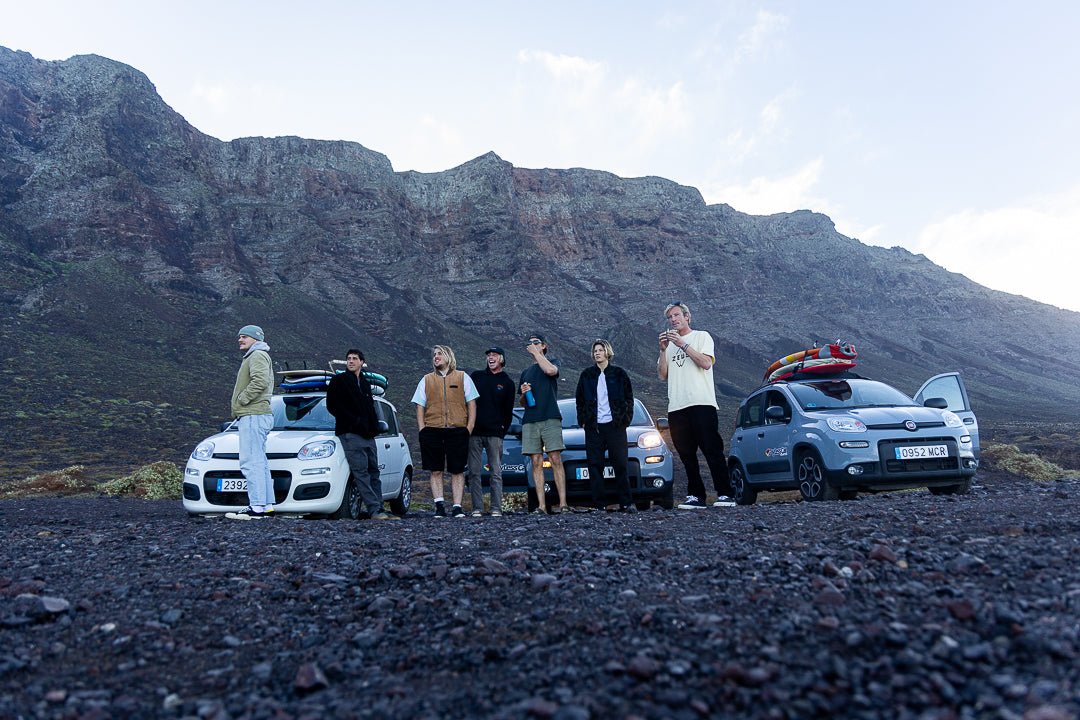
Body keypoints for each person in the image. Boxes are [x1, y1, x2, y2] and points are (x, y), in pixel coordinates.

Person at [657, 302, 735, 509]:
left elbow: (706, 363)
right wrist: (663, 350)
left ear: (687, 316)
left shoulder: (702, 336)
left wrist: (683, 344)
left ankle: (726, 494)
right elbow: (662, 375)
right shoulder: (669, 345)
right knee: (686, 454)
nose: (673, 320)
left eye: (676, 315)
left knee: (712, 450)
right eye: (670, 317)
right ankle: (696, 495)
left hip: (701, 403)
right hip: (677, 406)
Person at [326, 349, 397, 520]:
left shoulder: (364, 383)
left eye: (354, 358)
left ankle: (380, 507)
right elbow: (333, 406)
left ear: (361, 362)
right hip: (350, 433)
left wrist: (373, 427)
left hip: (368, 435)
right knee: (361, 473)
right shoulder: (339, 381)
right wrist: (354, 422)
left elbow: (370, 408)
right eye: (348, 358)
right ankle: (374, 510)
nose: (351, 361)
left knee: (374, 472)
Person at [412, 345, 477, 518]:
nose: (436, 357)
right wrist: (422, 429)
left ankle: (457, 507)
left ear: (448, 357)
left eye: (440, 354)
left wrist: (468, 429)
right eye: (434, 354)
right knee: (435, 470)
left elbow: (471, 404)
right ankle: (439, 506)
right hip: (432, 431)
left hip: (457, 431)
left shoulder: (463, 377)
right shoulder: (426, 380)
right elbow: (419, 406)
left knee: (457, 470)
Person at [575, 339, 635, 512]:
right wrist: (583, 421)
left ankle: (625, 503)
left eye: (600, 350)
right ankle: (599, 505)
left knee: (621, 464)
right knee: (595, 466)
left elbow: (629, 398)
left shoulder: (619, 374)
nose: (597, 353)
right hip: (594, 428)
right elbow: (580, 400)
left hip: (615, 427)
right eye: (595, 351)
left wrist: (625, 419)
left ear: (607, 352)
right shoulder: (586, 375)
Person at [227, 325, 275, 519]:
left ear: (256, 338)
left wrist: (242, 399)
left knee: (251, 462)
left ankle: (256, 506)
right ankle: (266, 506)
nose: (240, 339)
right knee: (260, 462)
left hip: (253, 414)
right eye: (239, 336)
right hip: (257, 414)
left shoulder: (257, 355)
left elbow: (260, 381)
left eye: (244, 336)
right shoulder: (256, 355)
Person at [519, 333, 567, 514]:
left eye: (536, 342)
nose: (532, 344)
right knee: (536, 461)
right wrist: (524, 393)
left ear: (544, 346)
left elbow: (550, 372)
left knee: (555, 458)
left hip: (550, 417)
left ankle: (563, 504)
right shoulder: (526, 372)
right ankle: (541, 506)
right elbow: (523, 403)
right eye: (529, 343)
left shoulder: (553, 362)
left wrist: (536, 354)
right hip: (531, 420)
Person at [467, 347, 516, 517]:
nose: (490, 358)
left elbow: (508, 412)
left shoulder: (508, 383)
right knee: (474, 472)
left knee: (495, 472)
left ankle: (496, 508)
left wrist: (502, 432)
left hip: (495, 434)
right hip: (474, 432)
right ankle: (477, 508)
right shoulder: (476, 377)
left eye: (494, 355)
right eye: (488, 355)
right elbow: (467, 402)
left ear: (501, 359)